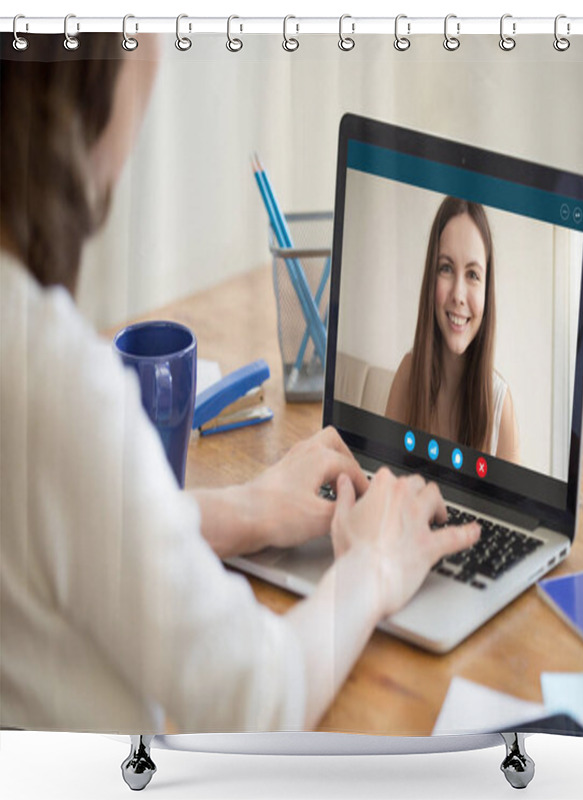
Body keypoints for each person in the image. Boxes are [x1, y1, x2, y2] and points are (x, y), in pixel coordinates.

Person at [0, 34, 480, 734]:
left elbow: (61, 530)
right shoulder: (49, 380)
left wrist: (241, 509)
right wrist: (373, 566)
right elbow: (258, 698)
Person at [386, 196, 520, 462]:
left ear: (486, 291)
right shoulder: (407, 375)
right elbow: (383, 481)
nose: (458, 295)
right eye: (446, 268)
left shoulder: (500, 407)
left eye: (472, 275)